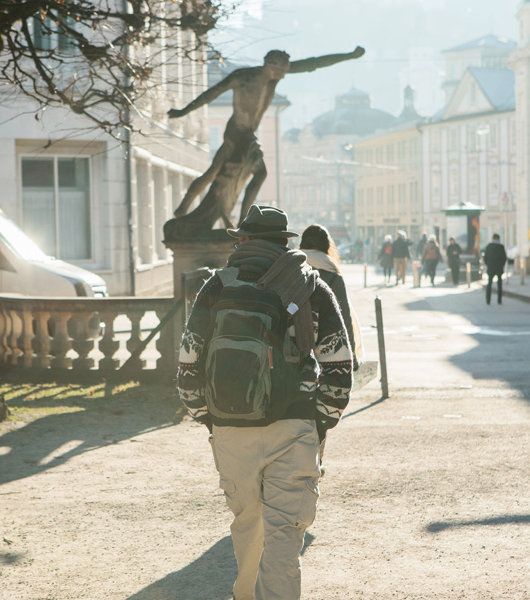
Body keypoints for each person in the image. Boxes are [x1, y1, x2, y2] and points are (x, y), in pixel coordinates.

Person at [177, 205, 353, 600]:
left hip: (230, 429)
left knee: (247, 529)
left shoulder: (218, 286)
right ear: (284, 243)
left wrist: (209, 419)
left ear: (242, 240)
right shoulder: (310, 285)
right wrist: (318, 423)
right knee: (282, 540)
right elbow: (339, 369)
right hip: (293, 428)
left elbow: (188, 363)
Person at [168, 47, 365, 227]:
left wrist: (349, 55)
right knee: (238, 173)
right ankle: (233, 217)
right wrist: (183, 111)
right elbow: (211, 94)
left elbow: (313, 63)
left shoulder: (275, 75)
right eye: (284, 67)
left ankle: (188, 209)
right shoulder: (243, 77)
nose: (287, 72)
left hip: (248, 133)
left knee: (216, 172)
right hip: (237, 132)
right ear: (273, 65)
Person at [299, 224, 362, 367]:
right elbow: (345, 317)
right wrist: (351, 354)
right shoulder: (333, 276)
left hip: (294, 345)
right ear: (327, 246)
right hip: (328, 347)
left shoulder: (291, 267)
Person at [483, 233, 507, 305]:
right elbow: (504, 258)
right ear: (498, 239)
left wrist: (488, 265)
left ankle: (488, 300)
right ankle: (499, 300)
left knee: (489, 284)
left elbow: (485, 258)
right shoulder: (501, 247)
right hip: (499, 268)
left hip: (491, 268)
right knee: (499, 284)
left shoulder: (489, 246)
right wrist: (501, 265)